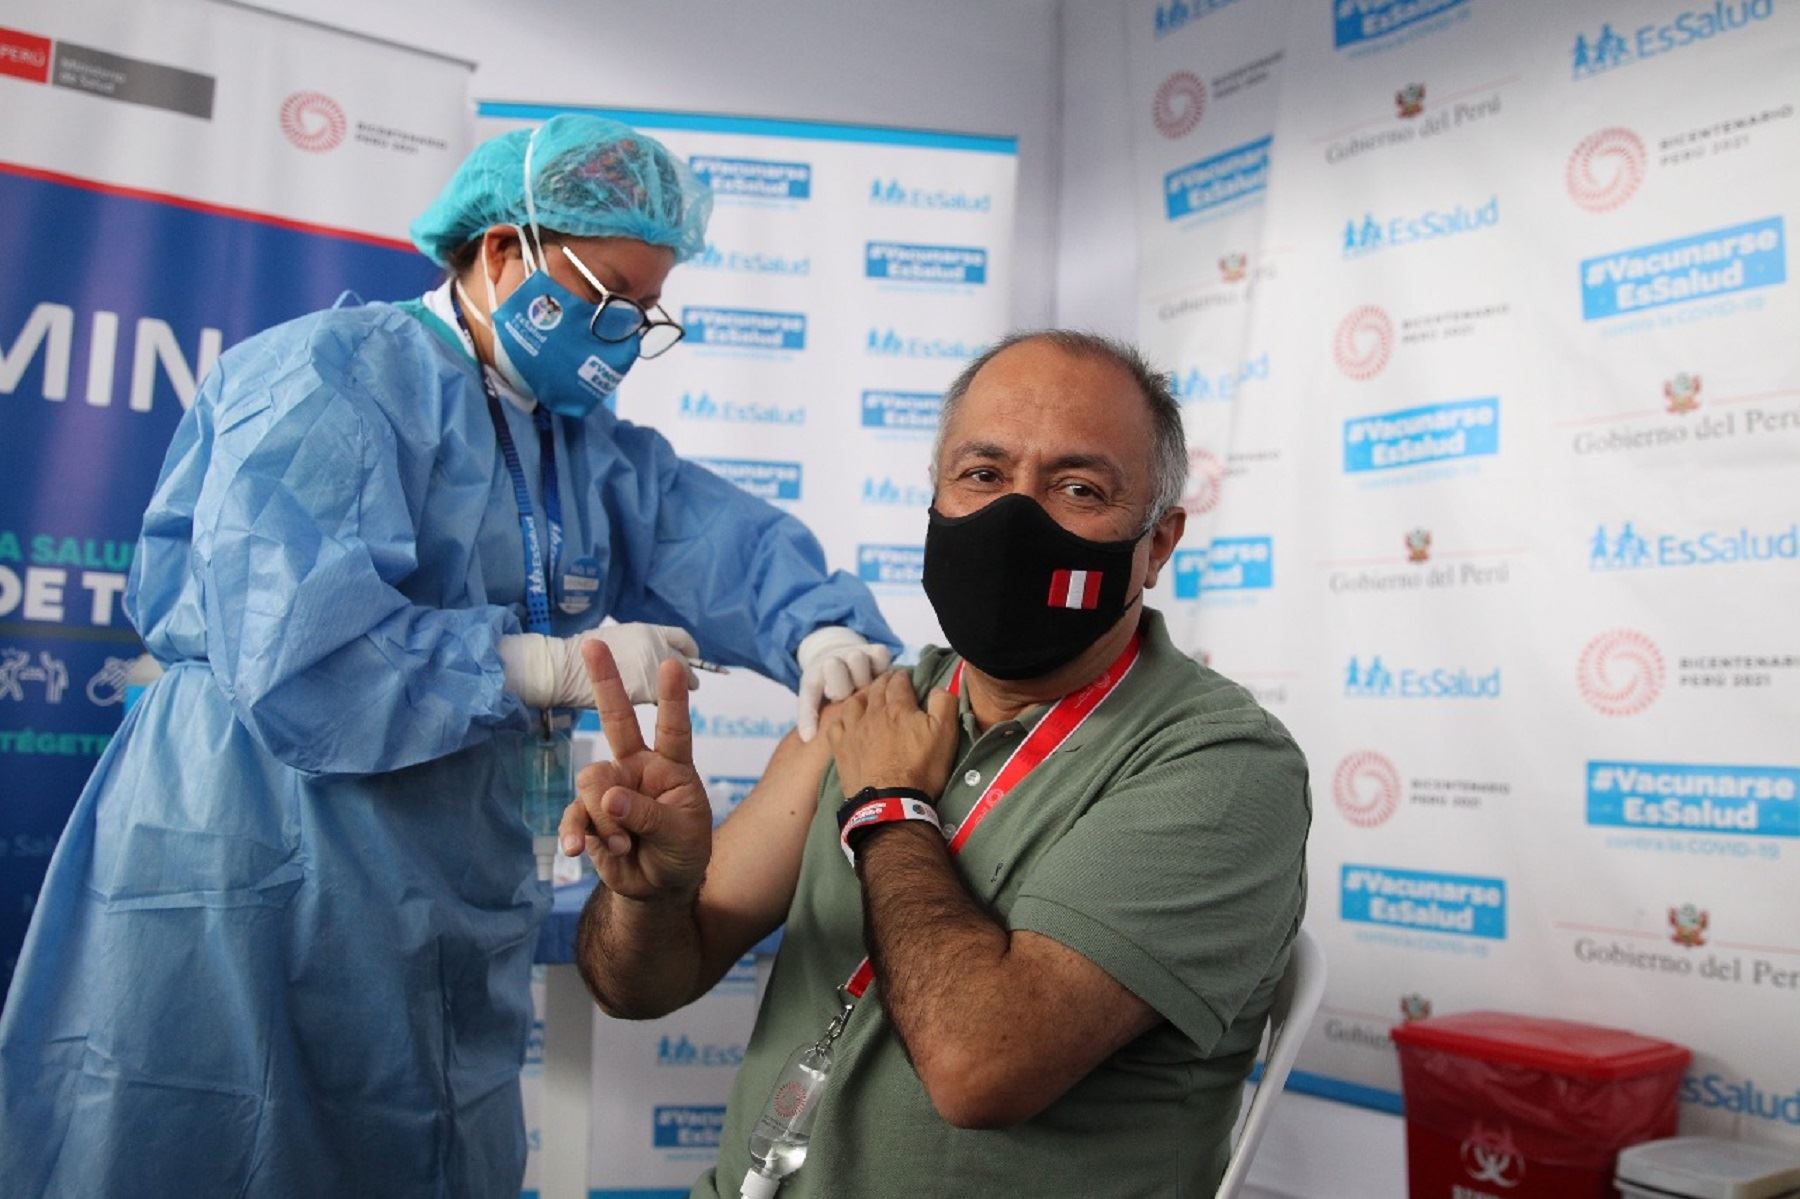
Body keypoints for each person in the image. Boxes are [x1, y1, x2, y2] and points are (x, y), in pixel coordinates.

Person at [0, 114, 896, 1198]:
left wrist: (820, 627)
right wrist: (539, 667)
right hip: (253, 854)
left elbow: (710, 539)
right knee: (206, 1142)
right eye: (609, 297)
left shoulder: (574, 443)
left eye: (645, 311)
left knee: (419, 1143)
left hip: (435, 889)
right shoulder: (329, 378)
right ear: (506, 251)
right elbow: (292, 651)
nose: (622, 334)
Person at [566, 330, 1312, 1198]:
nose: (1015, 521)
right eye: (982, 474)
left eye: (1079, 488)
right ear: (936, 499)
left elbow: (979, 1067)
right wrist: (649, 897)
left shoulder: (1218, 766)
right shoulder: (872, 705)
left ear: (1158, 543)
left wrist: (888, 805)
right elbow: (639, 985)